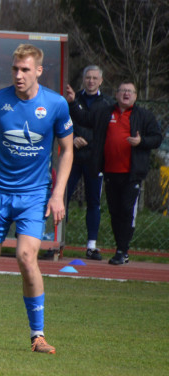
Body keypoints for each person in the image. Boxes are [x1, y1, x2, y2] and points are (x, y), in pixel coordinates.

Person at [0, 44, 73, 354]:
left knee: (26, 257)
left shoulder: (56, 104)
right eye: (15, 69)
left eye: (25, 69)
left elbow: (67, 151)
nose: (19, 75)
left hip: (34, 195)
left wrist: (58, 194)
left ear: (38, 70)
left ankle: (38, 336)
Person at [65, 80, 164, 265]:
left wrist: (141, 142)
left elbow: (157, 138)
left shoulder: (143, 115)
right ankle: (120, 248)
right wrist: (72, 102)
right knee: (115, 212)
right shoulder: (105, 112)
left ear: (135, 96)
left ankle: (122, 250)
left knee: (127, 211)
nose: (126, 94)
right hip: (110, 172)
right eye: (123, 90)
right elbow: (85, 119)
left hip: (131, 173)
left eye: (130, 91)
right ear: (116, 94)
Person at [63, 66, 113, 259]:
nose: (91, 81)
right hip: (72, 157)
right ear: (83, 80)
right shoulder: (72, 100)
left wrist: (91, 142)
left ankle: (91, 245)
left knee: (94, 202)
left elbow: (107, 130)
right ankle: (55, 240)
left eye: (94, 78)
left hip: (95, 160)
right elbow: (62, 122)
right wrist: (72, 137)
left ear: (101, 81)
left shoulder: (108, 103)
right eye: (88, 78)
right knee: (62, 196)